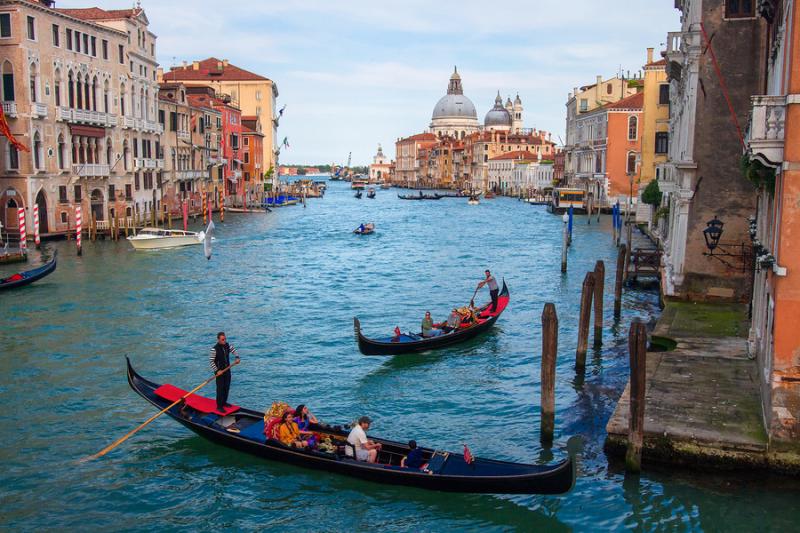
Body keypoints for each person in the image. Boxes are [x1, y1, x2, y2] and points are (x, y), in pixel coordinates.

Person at [209, 331, 240, 412]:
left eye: (225, 339)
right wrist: (217, 370)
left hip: (227, 370)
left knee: (227, 387)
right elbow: (211, 361)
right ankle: (219, 406)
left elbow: (234, 350)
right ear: (218, 340)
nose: (224, 341)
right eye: (222, 339)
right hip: (219, 372)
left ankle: (224, 402)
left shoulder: (227, 345)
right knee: (220, 389)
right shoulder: (214, 349)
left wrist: (237, 357)